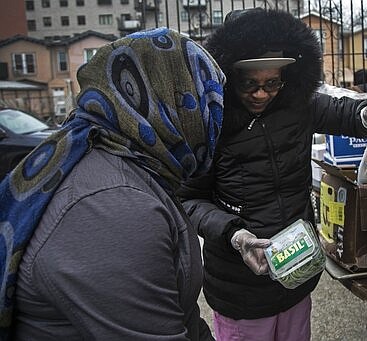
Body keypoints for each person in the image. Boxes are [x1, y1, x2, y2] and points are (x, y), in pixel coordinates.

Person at [177, 8, 367, 341]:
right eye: (249, 84)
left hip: (297, 270)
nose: (262, 94)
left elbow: (345, 111)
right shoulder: (212, 124)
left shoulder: (298, 104)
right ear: (227, 76)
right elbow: (189, 198)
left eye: (272, 83)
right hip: (240, 286)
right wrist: (234, 235)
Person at [0, 27, 224, 340]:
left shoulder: (125, 161)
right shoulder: (115, 206)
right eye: (209, 103)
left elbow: (183, 319)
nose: (216, 122)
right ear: (175, 103)